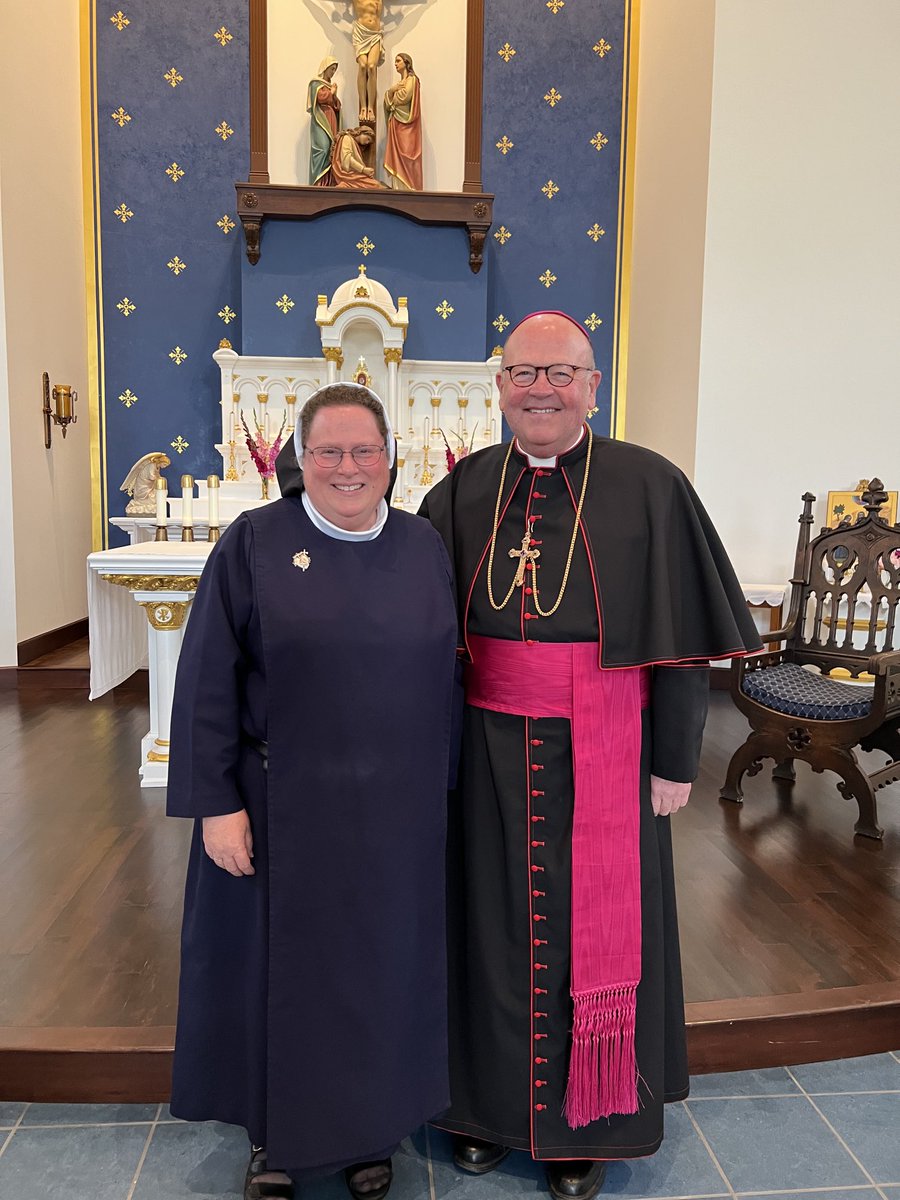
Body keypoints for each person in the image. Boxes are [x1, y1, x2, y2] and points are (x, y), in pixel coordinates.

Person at [419, 312, 761, 1200]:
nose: (541, 389)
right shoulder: (461, 492)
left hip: (606, 750)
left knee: (589, 938)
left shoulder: (651, 486)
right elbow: (419, 635)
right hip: (486, 745)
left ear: (592, 385)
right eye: (524, 372)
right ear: (498, 387)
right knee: (485, 926)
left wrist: (675, 760)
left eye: (560, 373)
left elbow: (681, 640)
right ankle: (484, 1113)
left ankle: (587, 1124)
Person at [167, 383, 459, 1200]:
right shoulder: (254, 543)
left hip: (396, 812)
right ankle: (278, 1141)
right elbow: (206, 683)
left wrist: (448, 791)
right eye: (328, 451)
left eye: (365, 450)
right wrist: (217, 806)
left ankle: (372, 1132)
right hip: (278, 806)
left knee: (381, 970)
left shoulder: (422, 544)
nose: (348, 466)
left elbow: (448, 680)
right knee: (283, 980)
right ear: (298, 460)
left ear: (392, 460)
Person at [383, 53, 422, 191]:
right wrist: (391, 91)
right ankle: (398, 186)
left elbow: (405, 96)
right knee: (397, 155)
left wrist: (392, 94)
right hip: (396, 122)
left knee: (408, 153)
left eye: (398, 61)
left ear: (406, 63)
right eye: (394, 61)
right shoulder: (398, 84)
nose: (395, 64)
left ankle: (408, 187)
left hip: (407, 124)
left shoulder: (412, 79)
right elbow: (388, 102)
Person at [307, 57, 342, 186]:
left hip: (330, 117)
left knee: (331, 150)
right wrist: (331, 92)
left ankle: (327, 183)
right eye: (332, 69)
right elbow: (319, 98)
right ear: (325, 68)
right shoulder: (315, 83)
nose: (333, 72)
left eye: (335, 70)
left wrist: (335, 97)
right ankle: (318, 182)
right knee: (322, 148)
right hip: (320, 119)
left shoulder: (329, 86)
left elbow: (335, 105)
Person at [351, 0, 383, 121]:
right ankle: (363, 106)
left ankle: (370, 107)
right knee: (363, 66)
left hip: (375, 34)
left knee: (371, 66)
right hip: (360, 33)